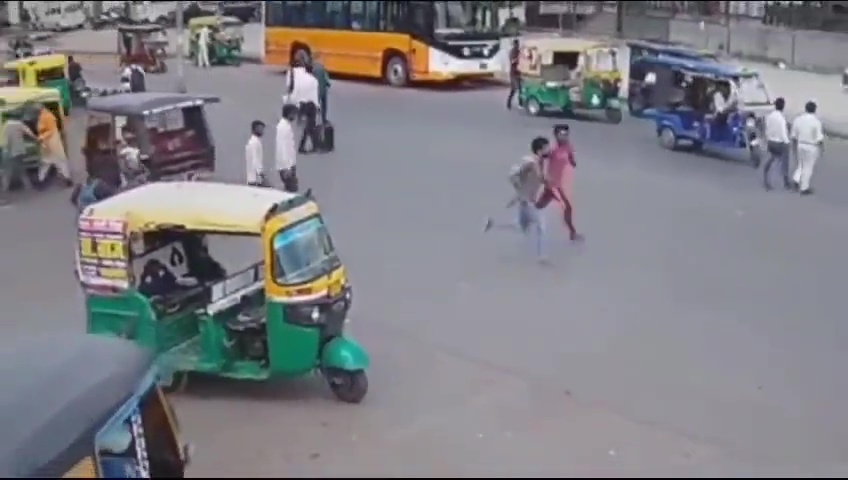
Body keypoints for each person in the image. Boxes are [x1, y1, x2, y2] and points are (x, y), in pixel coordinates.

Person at [484, 136, 550, 262]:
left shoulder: (534, 162)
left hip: (525, 200)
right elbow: (539, 178)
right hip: (528, 201)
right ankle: (542, 257)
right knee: (541, 226)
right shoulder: (534, 163)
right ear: (540, 150)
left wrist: (518, 195)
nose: (549, 150)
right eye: (547, 148)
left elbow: (527, 179)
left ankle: (492, 224)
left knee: (520, 227)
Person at [535, 124, 583, 242]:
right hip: (553, 185)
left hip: (557, 184)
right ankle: (573, 234)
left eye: (566, 134)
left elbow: (570, 155)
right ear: (556, 135)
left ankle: (523, 218)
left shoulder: (568, 146)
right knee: (567, 207)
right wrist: (541, 174)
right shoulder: (552, 149)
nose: (565, 136)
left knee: (538, 206)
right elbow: (540, 158)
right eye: (562, 134)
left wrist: (572, 162)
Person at [0, 111, 38, 205]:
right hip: (19, 151)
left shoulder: (6, 125)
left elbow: (5, 140)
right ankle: (29, 188)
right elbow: (29, 133)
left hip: (8, 152)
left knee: (7, 174)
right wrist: (37, 139)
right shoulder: (19, 124)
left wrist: (5, 150)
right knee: (22, 170)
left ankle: (4, 197)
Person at [284, 57, 320, 154]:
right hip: (310, 104)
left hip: (298, 103)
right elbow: (314, 96)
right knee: (310, 124)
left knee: (304, 125)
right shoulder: (313, 80)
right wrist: (318, 107)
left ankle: (304, 145)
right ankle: (310, 145)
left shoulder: (291, 73)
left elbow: (289, 87)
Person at [790, 100, 824, 195]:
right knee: (808, 167)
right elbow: (819, 138)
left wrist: (794, 146)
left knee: (801, 164)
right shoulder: (816, 122)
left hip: (800, 144)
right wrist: (821, 149)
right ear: (815, 110)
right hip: (811, 146)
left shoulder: (798, 119)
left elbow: (794, 135)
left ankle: (796, 179)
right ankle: (804, 187)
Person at [36, 103, 72, 187]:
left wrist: (41, 137)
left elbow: (50, 130)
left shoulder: (47, 116)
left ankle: (41, 181)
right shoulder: (44, 115)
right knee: (57, 163)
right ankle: (67, 179)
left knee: (51, 163)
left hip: (51, 144)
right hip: (49, 144)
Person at [762, 97, 791, 191]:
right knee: (784, 162)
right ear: (783, 106)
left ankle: (767, 178)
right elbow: (783, 132)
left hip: (771, 141)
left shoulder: (769, 116)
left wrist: (767, 139)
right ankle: (786, 182)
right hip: (780, 142)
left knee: (772, 158)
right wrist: (787, 143)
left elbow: (766, 129)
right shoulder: (781, 118)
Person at [276, 104, 299, 193]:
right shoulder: (283, 127)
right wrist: (287, 167)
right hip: (286, 166)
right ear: (289, 114)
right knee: (292, 189)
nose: (295, 116)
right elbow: (282, 147)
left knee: (290, 189)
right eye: (294, 114)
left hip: (289, 164)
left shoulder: (286, 125)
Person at [310, 54, 331, 123]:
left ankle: (313, 119)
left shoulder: (313, 68)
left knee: (315, 105)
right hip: (323, 89)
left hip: (317, 90)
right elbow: (326, 77)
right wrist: (328, 84)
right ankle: (324, 119)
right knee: (324, 105)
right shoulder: (322, 67)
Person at [245, 120, 266, 186]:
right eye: (260, 129)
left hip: (252, 178)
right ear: (254, 129)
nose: (262, 131)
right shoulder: (254, 142)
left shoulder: (253, 141)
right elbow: (255, 159)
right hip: (255, 178)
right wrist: (261, 173)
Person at [506, 39, 522, 110]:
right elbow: (512, 61)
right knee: (516, 89)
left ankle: (519, 103)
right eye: (517, 44)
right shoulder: (512, 52)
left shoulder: (518, 51)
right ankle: (510, 103)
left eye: (518, 44)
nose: (518, 45)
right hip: (513, 73)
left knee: (518, 89)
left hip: (518, 72)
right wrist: (518, 58)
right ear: (514, 44)